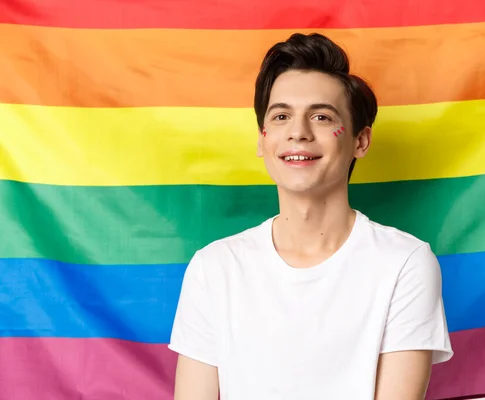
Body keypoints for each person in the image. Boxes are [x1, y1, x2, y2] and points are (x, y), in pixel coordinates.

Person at [168, 32, 453, 400]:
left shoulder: (405, 263)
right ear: (262, 138)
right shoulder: (214, 268)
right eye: (282, 116)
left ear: (360, 141)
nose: (298, 133)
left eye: (321, 116)